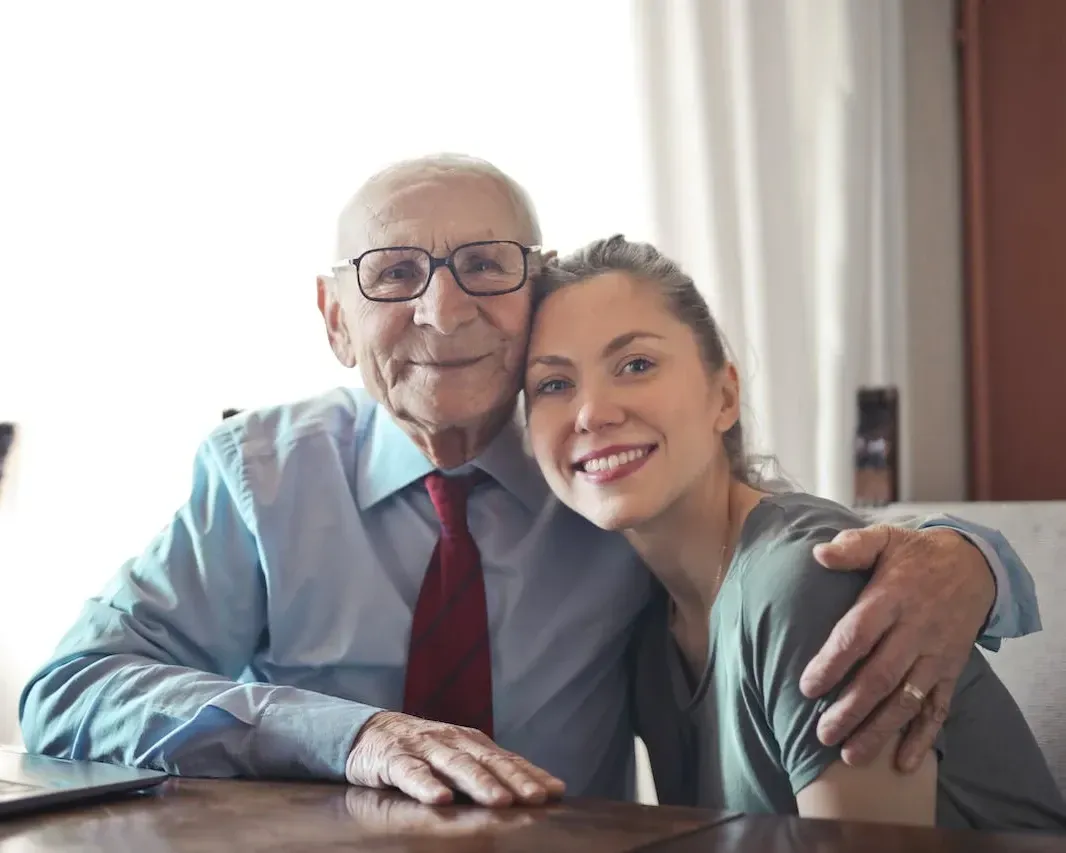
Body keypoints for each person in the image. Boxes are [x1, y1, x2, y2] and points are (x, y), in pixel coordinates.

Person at [19, 155, 1040, 809]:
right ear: (334, 321)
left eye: (484, 264)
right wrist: (352, 735)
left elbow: (781, 546)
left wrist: (971, 559)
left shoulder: (602, 477)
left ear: (530, 299)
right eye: (391, 274)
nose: (442, 307)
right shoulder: (259, 480)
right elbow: (65, 690)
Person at [524, 235, 1065, 829]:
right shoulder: (650, 631)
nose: (592, 412)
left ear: (724, 396)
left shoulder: (806, 581)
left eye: (636, 365)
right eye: (554, 384)